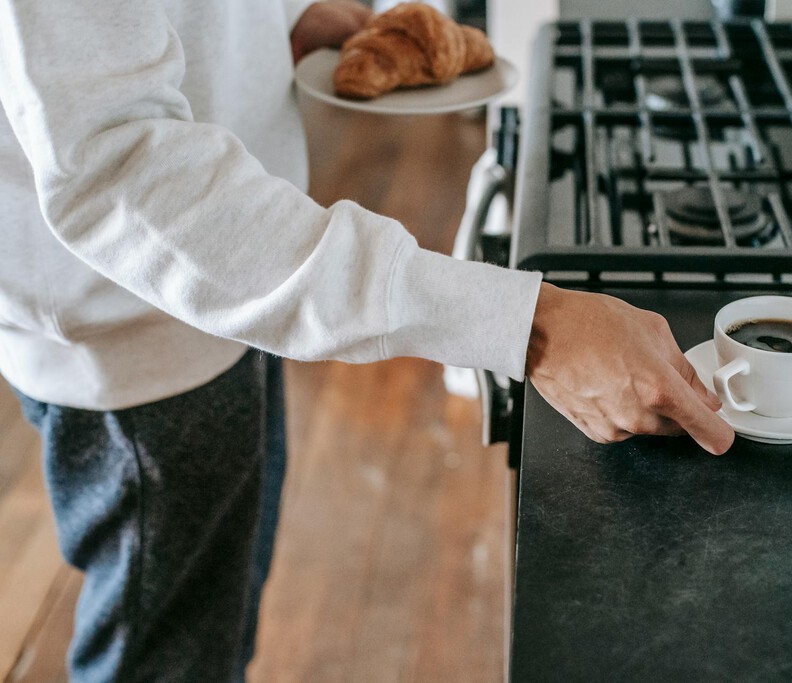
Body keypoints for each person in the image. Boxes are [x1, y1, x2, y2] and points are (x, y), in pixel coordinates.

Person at [0, 0, 734, 679]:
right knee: (169, 659)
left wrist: (278, 17)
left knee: (221, 630)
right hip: (142, 344)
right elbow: (122, 167)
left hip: (241, 291)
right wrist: (524, 323)